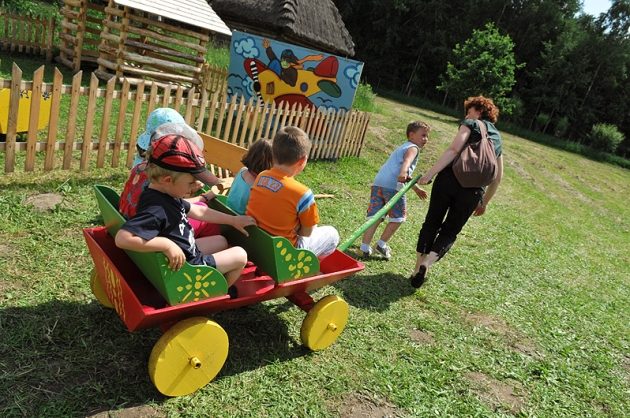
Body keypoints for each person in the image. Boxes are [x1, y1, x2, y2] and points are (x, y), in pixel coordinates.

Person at [115, 134, 256, 287]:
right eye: (190, 183)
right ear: (167, 180)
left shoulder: (162, 195)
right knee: (240, 255)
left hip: (187, 251)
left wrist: (233, 220)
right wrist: (166, 245)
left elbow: (199, 212)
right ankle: (215, 292)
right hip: (188, 267)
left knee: (221, 241)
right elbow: (122, 239)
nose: (196, 186)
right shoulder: (156, 210)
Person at [411, 96, 504, 288]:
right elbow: (498, 177)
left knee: (432, 221)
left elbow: (454, 150)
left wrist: (429, 174)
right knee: (450, 230)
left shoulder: (471, 123)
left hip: (448, 180)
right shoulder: (497, 138)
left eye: (468, 110)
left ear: (478, 111)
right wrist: (484, 202)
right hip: (473, 192)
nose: (466, 114)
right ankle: (428, 263)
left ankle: (418, 266)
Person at [119, 108, 221, 238]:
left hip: (128, 218)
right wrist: (204, 197)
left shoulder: (139, 167)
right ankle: (195, 250)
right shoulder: (160, 185)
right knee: (205, 216)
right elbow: (178, 207)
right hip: (150, 233)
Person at [246, 126, 339, 258]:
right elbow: (307, 233)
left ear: (273, 153)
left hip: (256, 242)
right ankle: (305, 269)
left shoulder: (261, 176)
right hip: (284, 254)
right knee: (332, 233)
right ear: (302, 160)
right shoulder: (303, 193)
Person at [360, 121, 430, 260]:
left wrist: (415, 188)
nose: (425, 139)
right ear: (411, 135)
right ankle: (381, 244)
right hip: (393, 186)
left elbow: (401, 172)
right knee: (398, 218)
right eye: (423, 135)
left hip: (379, 183)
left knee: (375, 217)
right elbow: (406, 164)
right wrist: (403, 172)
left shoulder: (402, 147)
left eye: (427, 136)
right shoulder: (413, 148)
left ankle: (364, 247)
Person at [226, 139, 273, 215]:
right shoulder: (259, 184)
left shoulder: (242, 170)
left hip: (226, 210)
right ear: (270, 163)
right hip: (241, 221)